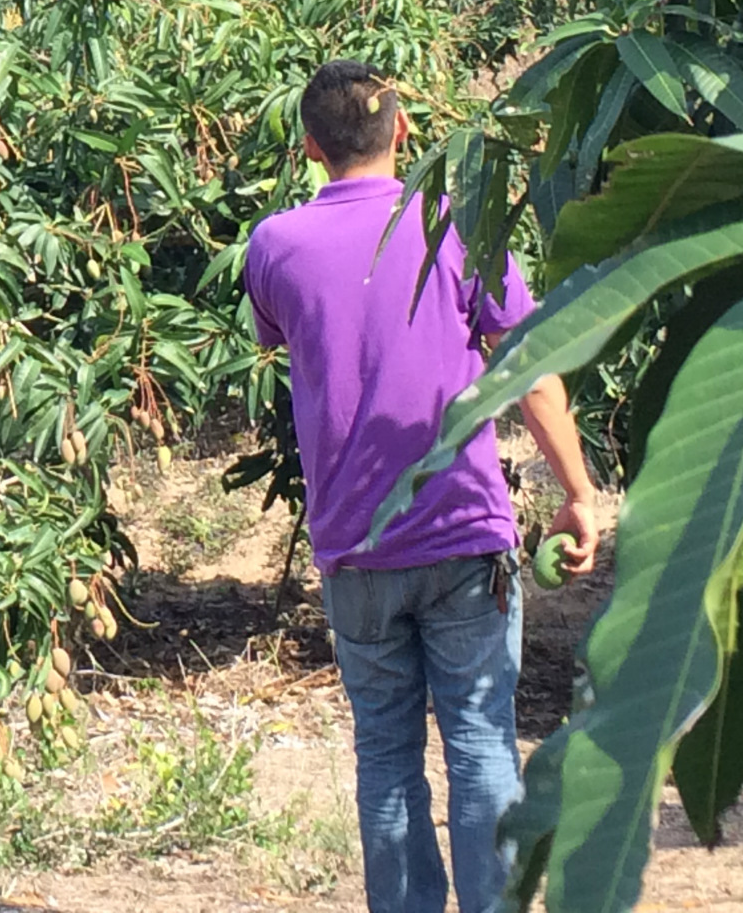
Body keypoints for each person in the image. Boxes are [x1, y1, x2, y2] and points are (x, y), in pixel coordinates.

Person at [244, 60, 599, 913]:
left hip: (356, 545)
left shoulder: (275, 245)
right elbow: (532, 368)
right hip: (464, 532)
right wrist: (578, 489)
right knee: (481, 744)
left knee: (387, 755)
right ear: (402, 130)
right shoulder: (461, 227)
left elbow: (283, 341)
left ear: (310, 148)